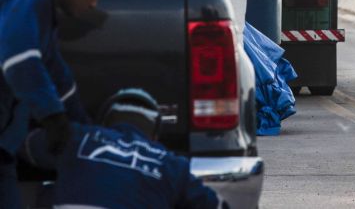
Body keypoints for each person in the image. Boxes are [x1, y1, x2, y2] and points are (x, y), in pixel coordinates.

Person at [0, 0, 122, 208]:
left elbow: (59, 79)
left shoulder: (43, 13)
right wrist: (53, 118)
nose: (94, 3)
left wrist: (84, 135)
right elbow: (20, 61)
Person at [21, 88, 227, 209]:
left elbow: (20, 146)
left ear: (105, 122)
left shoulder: (77, 137)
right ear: (154, 135)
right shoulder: (171, 165)